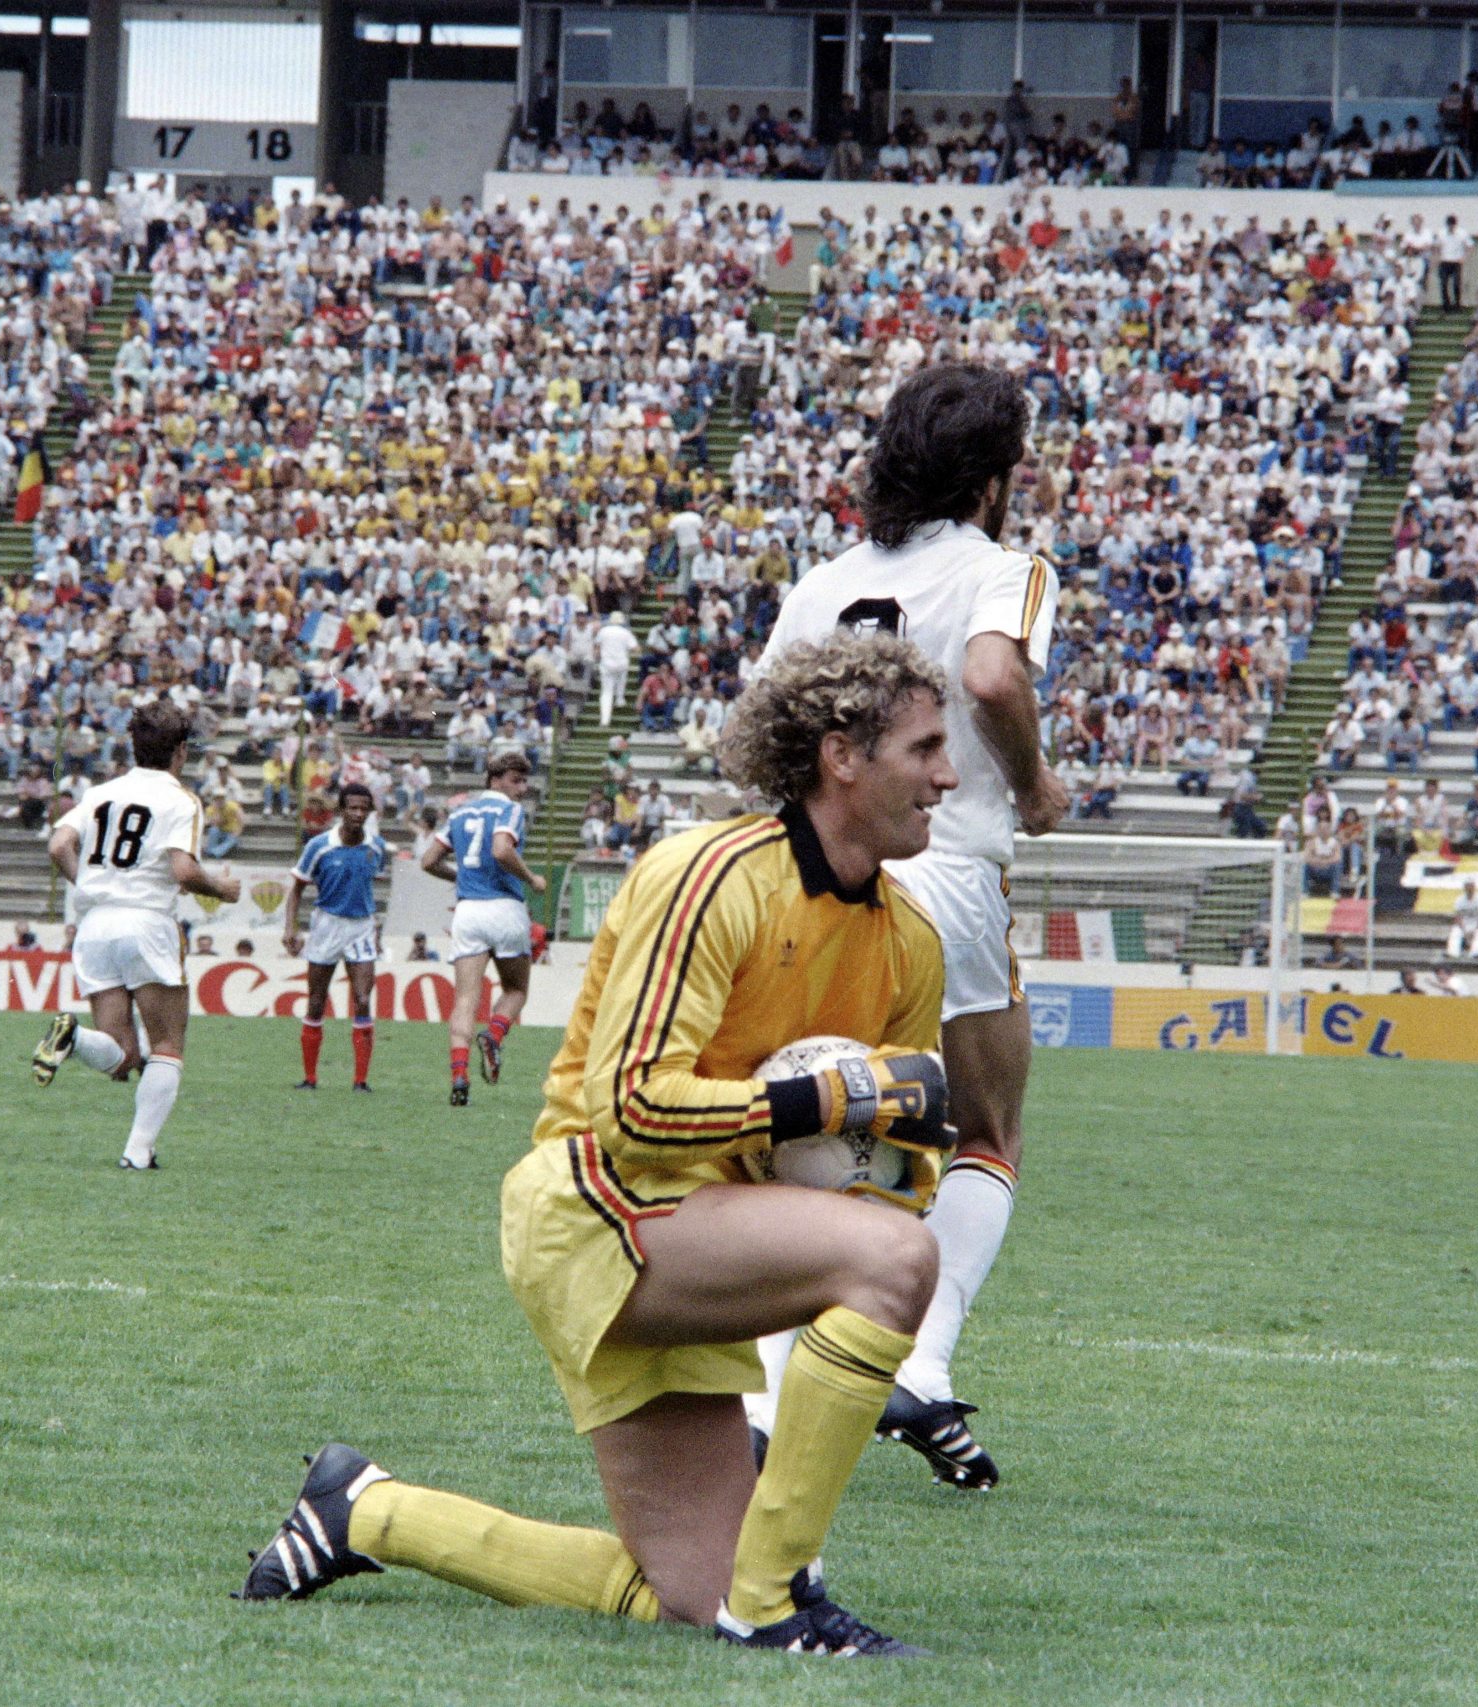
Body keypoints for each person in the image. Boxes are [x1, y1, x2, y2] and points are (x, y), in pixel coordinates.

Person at [235, 630, 959, 1656]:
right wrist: (825, 1104)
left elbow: (893, 1162)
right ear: (841, 755)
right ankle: (779, 1606)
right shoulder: (708, 875)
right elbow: (631, 1107)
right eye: (925, 746)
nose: (950, 772)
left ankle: (364, 1511)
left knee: (686, 1594)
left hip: (707, 1234)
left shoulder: (910, 941)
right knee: (894, 1267)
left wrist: (900, 1142)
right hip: (599, 1209)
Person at [749, 362, 1066, 1490]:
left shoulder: (822, 582)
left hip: (807, 877)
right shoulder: (1006, 568)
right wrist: (1031, 786)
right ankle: (922, 1366)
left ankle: (766, 1397)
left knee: (810, 1134)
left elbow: (759, 723)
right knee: (984, 1130)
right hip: (945, 868)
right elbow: (989, 676)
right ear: (991, 478)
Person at [30, 700, 241, 1172]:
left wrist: (86, 885)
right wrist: (222, 889)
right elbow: (183, 870)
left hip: (96, 926)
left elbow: (58, 844)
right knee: (166, 1045)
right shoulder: (180, 799)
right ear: (181, 751)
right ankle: (137, 1151)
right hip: (147, 922)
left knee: (121, 1056)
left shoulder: (102, 793)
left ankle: (71, 1039)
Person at [423, 750, 551, 1106]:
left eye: (524, 781)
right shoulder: (510, 811)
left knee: (465, 998)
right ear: (496, 780)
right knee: (515, 990)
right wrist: (531, 878)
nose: (522, 788)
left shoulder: (460, 813)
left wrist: (459, 875)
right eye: (516, 780)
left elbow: (428, 861)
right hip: (505, 909)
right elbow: (500, 850)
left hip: (467, 912)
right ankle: (494, 1036)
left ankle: (459, 1075)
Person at [282, 784, 392, 1093]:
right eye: (352, 808)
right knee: (316, 1001)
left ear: (370, 812)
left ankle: (360, 1081)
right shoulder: (319, 846)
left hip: (360, 927)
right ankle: (310, 1078)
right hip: (326, 926)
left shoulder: (377, 846)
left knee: (362, 999)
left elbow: (372, 885)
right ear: (341, 811)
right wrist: (291, 928)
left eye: (363, 809)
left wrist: (377, 928)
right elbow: (297, 889)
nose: (358, 814)